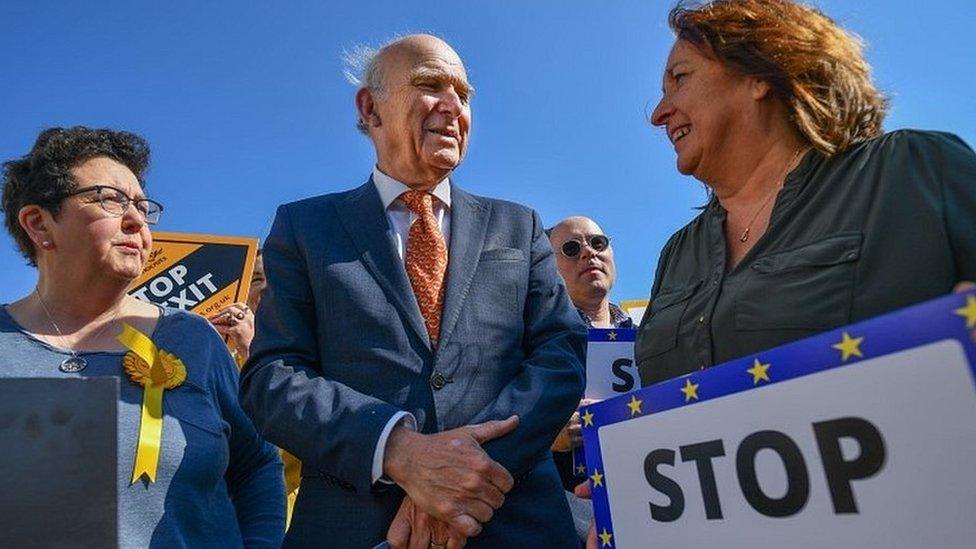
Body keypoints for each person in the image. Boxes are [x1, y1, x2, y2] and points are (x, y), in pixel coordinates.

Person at [239, 34, 586, 548]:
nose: (453, 106)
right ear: (370, 107)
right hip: (354, 526)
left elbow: (562, 353)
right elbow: (272, 376)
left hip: (511, 519)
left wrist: (464, 474)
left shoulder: (519, 225)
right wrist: (398, 451)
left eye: (464, 95)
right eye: (430, 85)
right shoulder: (304, 227)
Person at [637, 0, 976, 385]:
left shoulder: (913, 169)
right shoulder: (677, 254)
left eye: (679, 79)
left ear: (758, 74)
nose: (659, 113)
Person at [0, 126, 285, 547]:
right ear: (39, 224)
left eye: (141, 204)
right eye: (109, 199)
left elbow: (256, 465)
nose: (136, 219)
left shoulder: (195, 340)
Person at [546, 216, 632, 542]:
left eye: (598, 243)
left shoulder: (652, 333)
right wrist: (548, 434)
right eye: (571, 248)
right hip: (568, 516)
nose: (588, 253)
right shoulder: (530, 340)